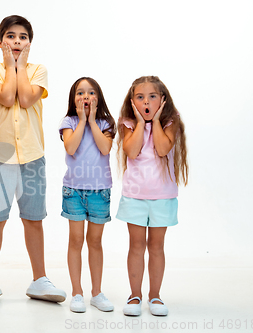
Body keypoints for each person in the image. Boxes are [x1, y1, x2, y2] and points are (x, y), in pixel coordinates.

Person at [0, 15, 66, 305]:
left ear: (30, 42)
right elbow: (8, 96)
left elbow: (26, 99)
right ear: (0, 41)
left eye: (23, 37)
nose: (16, 41)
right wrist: (11, 67)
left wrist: (21, 66)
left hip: (32, 157)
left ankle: (40, 279)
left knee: (34, 219)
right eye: (10, 36)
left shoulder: (38, 70)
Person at [116, 76, 188, 316]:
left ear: (162, 100)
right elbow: (132, 151)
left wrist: (156, 120)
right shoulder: (128, 123)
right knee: (136, 246)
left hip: (162, 196)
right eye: (140, 97)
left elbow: (163, 148)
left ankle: (154, 296)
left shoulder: (170, 122)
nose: (146, 101)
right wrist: (139, 122)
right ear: (132, 101)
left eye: (152, 97)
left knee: (156, 247)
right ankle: (134, 295)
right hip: (135, 196)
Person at [59, 77, 116, 313]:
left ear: (98, 99)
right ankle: (77, 292)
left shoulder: (105, 123)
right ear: (73, 100)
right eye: (80, 93)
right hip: (73, 190)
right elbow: (71, 147)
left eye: (91, 93)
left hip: (99, 192)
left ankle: (96, 292)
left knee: (95, 242)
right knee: (75, 241)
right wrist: (82, 120)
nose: (85, 96)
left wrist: (92, 121)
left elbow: (105, 148)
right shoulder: (69, 121)